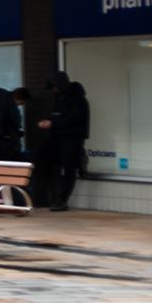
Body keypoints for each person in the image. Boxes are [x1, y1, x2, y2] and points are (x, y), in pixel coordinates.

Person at [37, 68, 90, 211]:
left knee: (68, 168)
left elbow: (73, 119)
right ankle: (53, 196)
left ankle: (61, 199)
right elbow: (56, 115)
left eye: (54, 87)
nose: (54, 90)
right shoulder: (61, 98)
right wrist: (48, 120)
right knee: (45, 161)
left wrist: (52, 123)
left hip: (72, 138)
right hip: (58, 136)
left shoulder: (77, 100)